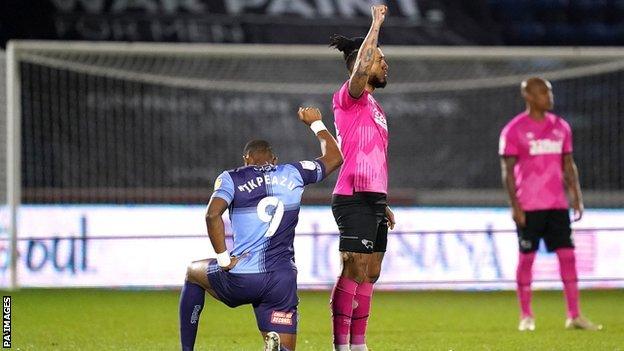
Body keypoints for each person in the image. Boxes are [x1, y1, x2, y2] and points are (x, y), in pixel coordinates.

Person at [179, 107, 343, 351]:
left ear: (246, 158)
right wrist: (316, 123)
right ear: (274, 160)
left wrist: (224, 260)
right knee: (285, 346)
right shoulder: (294, 173)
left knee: (193, 272)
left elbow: (213, 214)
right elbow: (335, 158)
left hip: (243, 277)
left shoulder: (231, 178)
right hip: (282, 280)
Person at [499, 77, 602, 332]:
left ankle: (574, 315)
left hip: (557, 205)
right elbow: (508, 172)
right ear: (529, 97)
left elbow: (568, 164)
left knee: (568, 257)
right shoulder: (513, 130)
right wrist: (515, 206)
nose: (549, 96)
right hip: (529, 206)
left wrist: (576, 196)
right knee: (527, 260)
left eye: (550, 91)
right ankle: (526, 316)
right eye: (544, 92)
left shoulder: (561, 127)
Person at [328, 5, 396, 351]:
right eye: (379, 58)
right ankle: (341, 344)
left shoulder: (376, 108)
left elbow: (374, 156)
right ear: (362, 64)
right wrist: (376, 24)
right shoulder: (349, 99)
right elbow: (359, 70)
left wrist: (382, 201)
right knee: (353, 268)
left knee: (371, 273)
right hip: (351, 195)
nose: (385, 64)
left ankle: (359, 344)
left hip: (373, 198)